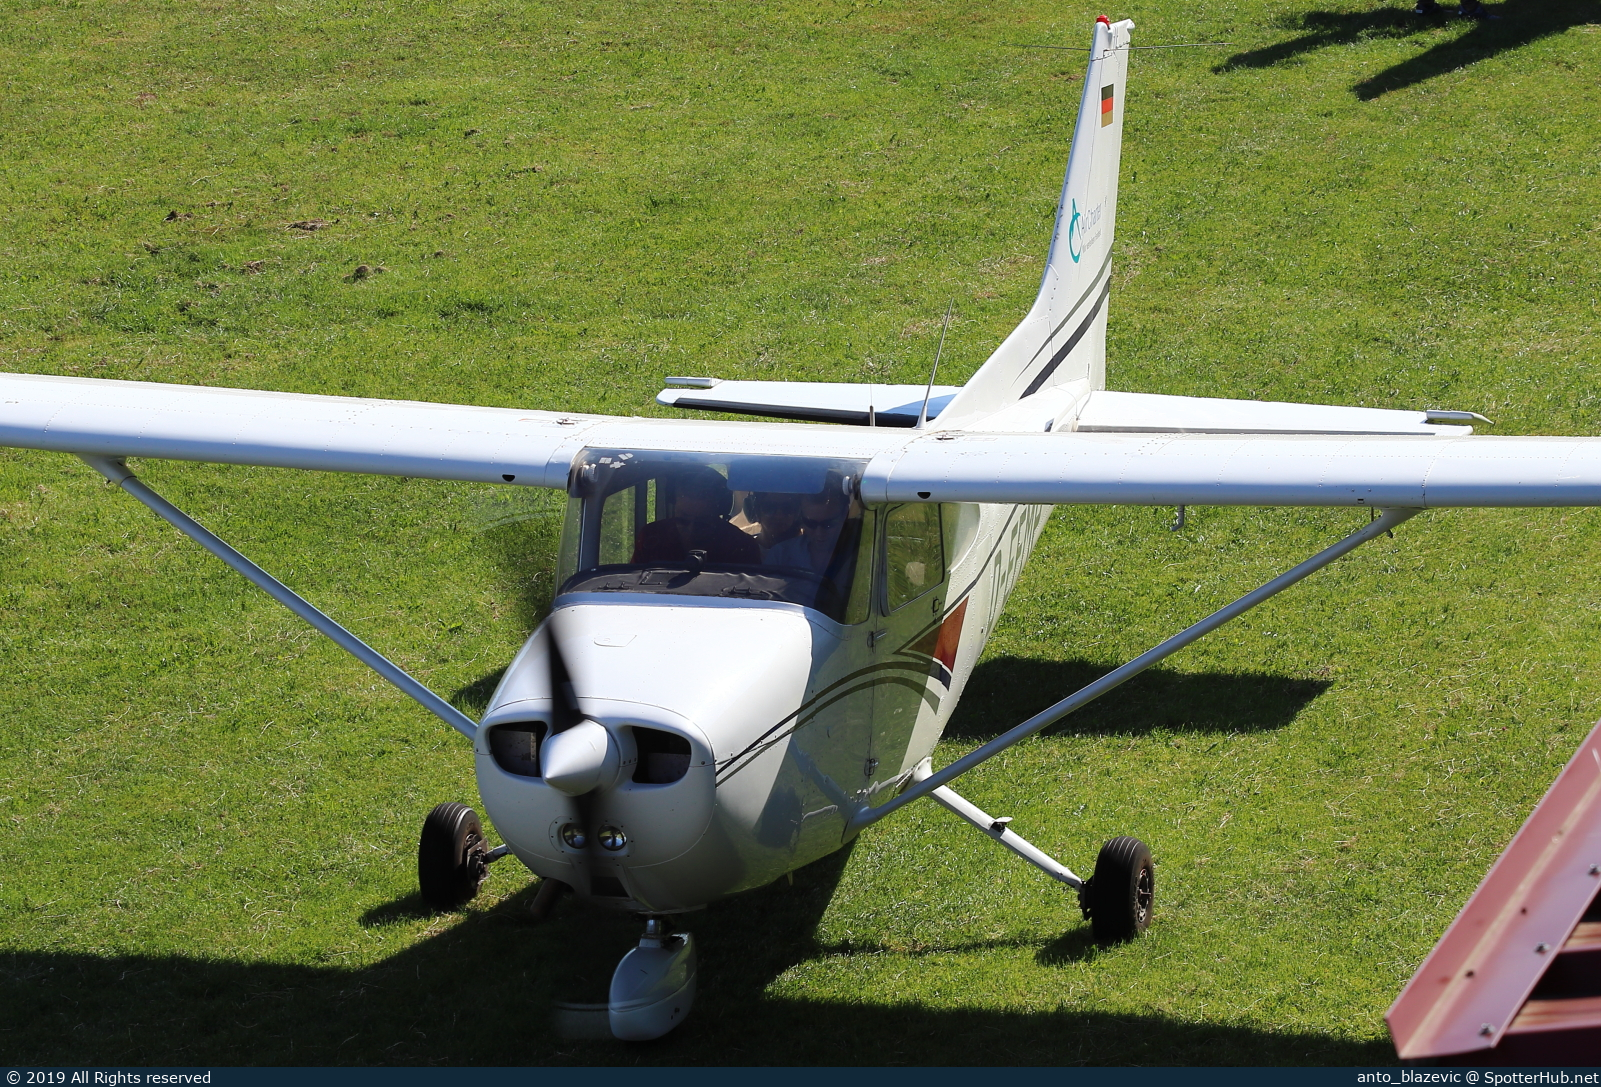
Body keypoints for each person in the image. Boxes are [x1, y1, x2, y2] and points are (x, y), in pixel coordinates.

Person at [631, 467, 760, 566]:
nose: (691, 531)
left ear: (719, 514)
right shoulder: (652, 537)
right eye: (683, 521)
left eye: (702, 523)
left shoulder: (740, 545)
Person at [764, 488, 852, 574]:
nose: (819, 533)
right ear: (801, 518)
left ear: (845, 514)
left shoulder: (859, 553)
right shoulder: (780, 556)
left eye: (828, 524)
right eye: (810, 523)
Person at [746, 492, 803, 561]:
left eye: (787, 508)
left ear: (797, 513)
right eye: (770, 508)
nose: (779, 516)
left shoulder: (808, 553)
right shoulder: (744, 551)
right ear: (757, 512)